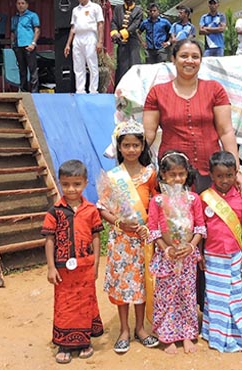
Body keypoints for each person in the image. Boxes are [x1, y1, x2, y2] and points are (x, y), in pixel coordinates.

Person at [142, 38, 242, 195]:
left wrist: (236, 171)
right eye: (184, 56)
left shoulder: (215, 90)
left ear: (201, 60)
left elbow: (226, 132)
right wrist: (132, 165)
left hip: (212, 172)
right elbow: (148, 135)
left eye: (195, 57)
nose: (190, 61)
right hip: (173, 174)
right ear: (173, 59)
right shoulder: (157, 93)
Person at [98, 119, 160, 354]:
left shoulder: (150, 174)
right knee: (122, 286)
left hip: (144, 239)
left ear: (143, 146)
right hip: (121, 241)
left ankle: (140, 328)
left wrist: (149, 226)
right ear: (119, 147)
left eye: (136, 145)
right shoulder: (112, 176)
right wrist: (120, 223)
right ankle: (124, 330)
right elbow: (102, 208)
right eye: (126, 145)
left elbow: (157, 204)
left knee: (142, 284)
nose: (131, 149)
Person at [41, 160, 104, 364]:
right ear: (59, 183)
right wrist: (51, 267)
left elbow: (96, 237)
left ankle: (84, 341)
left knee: (85, 302)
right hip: (63, 269)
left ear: (85, 183)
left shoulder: (91, 210)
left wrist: (96, 263)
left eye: (76, 184)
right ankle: (65, 344)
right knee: (64, 304)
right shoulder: (54, 212)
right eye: (66, 184)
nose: (71, 189)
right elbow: (49, 240)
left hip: (85, 266)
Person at [146, 150, 206, 354]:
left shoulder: (193, 199)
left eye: (181, 174)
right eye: (172, 174)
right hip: (167, 258)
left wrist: (191, 246)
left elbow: (200, 227)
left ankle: (188, 334)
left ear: (187, 174)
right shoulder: (157, 201)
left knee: (187, 295)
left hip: (187, 258)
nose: (177, 178)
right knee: (166, 296)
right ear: (163, 175)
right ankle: (167, 336)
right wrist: (167, 249)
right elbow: (153, 229)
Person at [199, 151, 242, 352]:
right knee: (216, 297)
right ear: (211, 175)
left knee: (236, 294)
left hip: (235, 255)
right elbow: (201, 229)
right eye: (219, 176)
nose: (225, 180)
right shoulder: (205, 198)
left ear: (235, 174)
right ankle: (216, 335)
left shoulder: (240, 198)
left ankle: (240, 335)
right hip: (213, 256)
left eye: (229, 175)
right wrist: (200, 254)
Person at [64, 0, 104, 94]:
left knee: (92, 63)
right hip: (78, 37)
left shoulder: (95, 7)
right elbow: (73, 28)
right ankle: (80, 89)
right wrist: (68, 44)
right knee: (78, 65)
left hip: (90, 36)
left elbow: (100, 24)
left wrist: (100, 41)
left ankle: (93, 90)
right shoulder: (75, 10)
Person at [111, 0, 143, 86]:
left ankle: (135, 89)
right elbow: (114, 22)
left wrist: (121, 34)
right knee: (121, 67)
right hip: (121, 42)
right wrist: (114, 33)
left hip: (133, 42)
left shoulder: (138, 10)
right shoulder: (118, 8)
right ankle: (120, 90)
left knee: (134, 66)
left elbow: (134, 25)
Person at [10, 0, 41, 92]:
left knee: (32, 70)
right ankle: (24, 91)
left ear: (27, 5)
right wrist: (12, 44)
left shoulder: (32, 15)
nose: (20, 5)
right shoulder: (14, 18)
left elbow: (37, 30)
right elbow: (13, 32)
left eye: (22, 3)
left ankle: (34, 92)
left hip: (29, 45)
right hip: (18, 46)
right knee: (22, 70)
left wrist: (33, 43)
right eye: (18, 3)